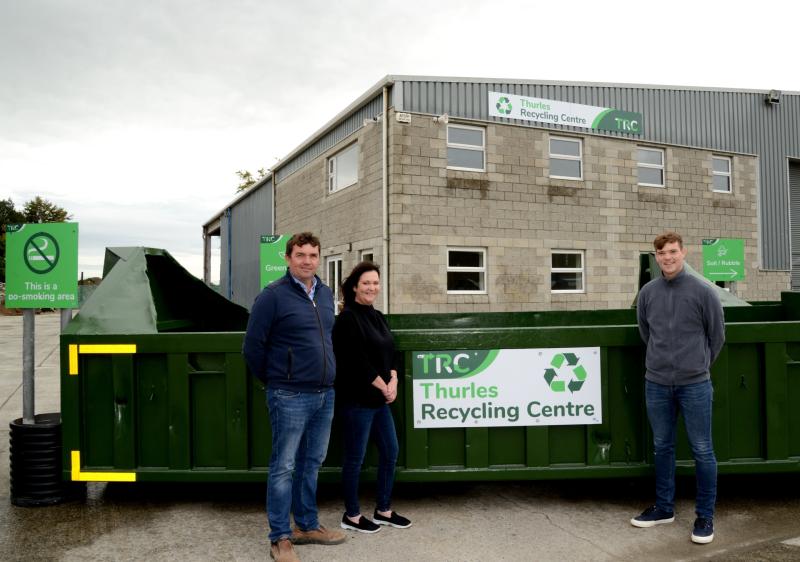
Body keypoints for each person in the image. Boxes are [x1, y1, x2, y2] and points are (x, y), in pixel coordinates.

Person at [243, 232, 346, 562]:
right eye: (300, 255)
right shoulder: (272, 296)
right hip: (288, 394)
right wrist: (279, 379)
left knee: (311, 463)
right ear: (288, 259)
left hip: (324, 395)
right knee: (284, 467)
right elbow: (253, 348)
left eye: (313, 255)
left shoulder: (326, 293)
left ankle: (306, 525)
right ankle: (280, 538)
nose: (307, 261)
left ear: (319, 258)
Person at [631, 231, 725, 544]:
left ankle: (705, 517)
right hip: (656, 383)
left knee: (702, 450)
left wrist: (695, 365)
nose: (667, 258)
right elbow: (646, 332)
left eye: (672, 252)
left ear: (683, 253)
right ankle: (664, 508)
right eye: (661, 253)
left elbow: (717, 337)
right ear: (655, 257)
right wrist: (663, 363)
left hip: (695, 384)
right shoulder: (648, 292)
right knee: (663, 447)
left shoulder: (704, 291)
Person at [332, 262, 412, 534]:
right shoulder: (347, 319)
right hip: (357, 401)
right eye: (366, 283)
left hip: (379, 400)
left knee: (390, 451)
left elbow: (390, 352)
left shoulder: (377, 316)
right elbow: (356, 362)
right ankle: (352, 515)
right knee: (355, 458)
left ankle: (383, 510)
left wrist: (394, 380)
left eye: (376, 283)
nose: (372, 287)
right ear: (354, 286)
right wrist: (383, 386)